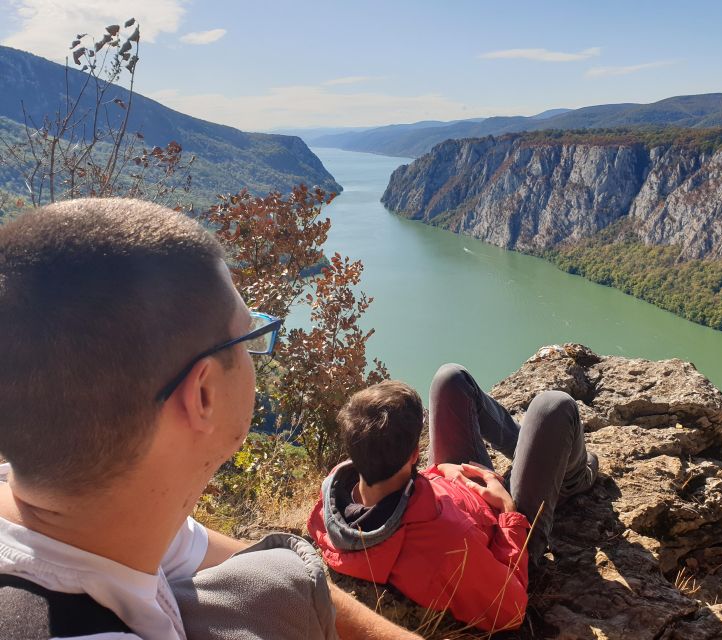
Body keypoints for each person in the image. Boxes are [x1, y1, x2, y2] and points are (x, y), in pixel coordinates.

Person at [0, 198, 421, 640]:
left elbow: (241, 563)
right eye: (248, 336)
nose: (255, 355)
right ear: (202, 394)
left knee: (282, 575)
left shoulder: (102, 509)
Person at [308, 366, 598, 632]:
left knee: (451, 379)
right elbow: (510, 611)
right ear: (413, 455)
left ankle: (529, 446)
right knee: (554, 406)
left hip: (457, 489)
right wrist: (508, 511)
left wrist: (438, 472)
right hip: (510, 528)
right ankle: (573, 478)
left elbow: (394, 488)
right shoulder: (448, 550)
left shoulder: (335, 494)